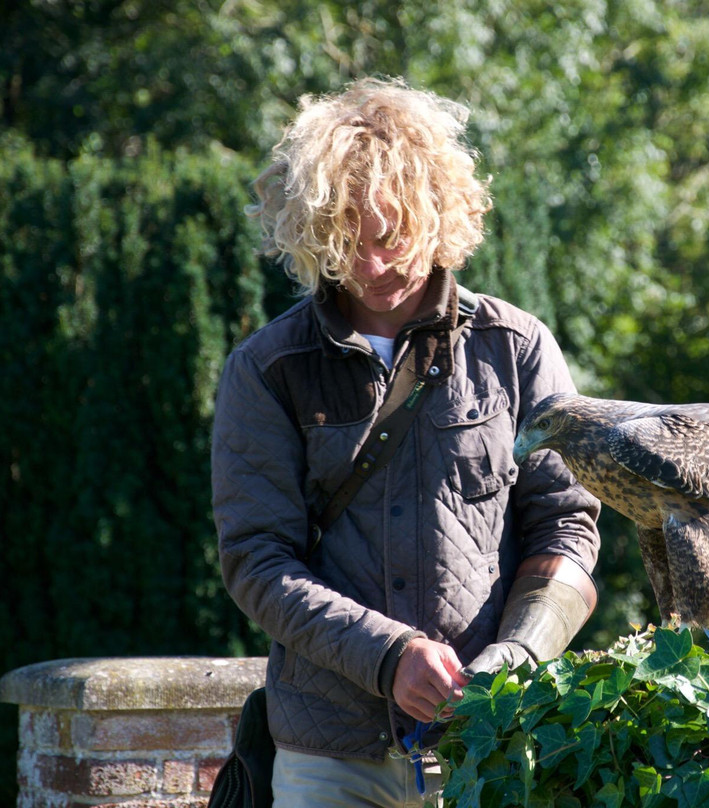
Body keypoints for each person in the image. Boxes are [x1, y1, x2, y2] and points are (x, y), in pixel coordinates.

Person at [210, 76, 602, 807]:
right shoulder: (266, 370)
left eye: (388, 237)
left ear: (437, 212)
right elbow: (256, 562)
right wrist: (388, 657)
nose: (370, 266)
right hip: (328, 753)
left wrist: (516, 659)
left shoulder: (517, 349)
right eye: (342, 240)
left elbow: (568, 526)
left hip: (496, 739)